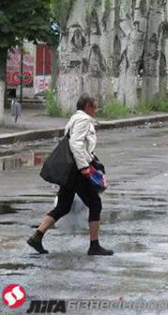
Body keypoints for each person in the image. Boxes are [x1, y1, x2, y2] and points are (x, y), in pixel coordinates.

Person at [27, 94, 113, 256]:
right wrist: (83, 167)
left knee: (63, 206)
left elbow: (79, 144)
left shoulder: (75, 118)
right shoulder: (83, 120)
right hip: (77, 171)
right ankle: (94, 245)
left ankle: (37, 236)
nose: (96, 110)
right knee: (95, 203)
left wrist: (91, 157)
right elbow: (76, 143)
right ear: (87, 106)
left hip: (71, 170)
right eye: (94, 107)